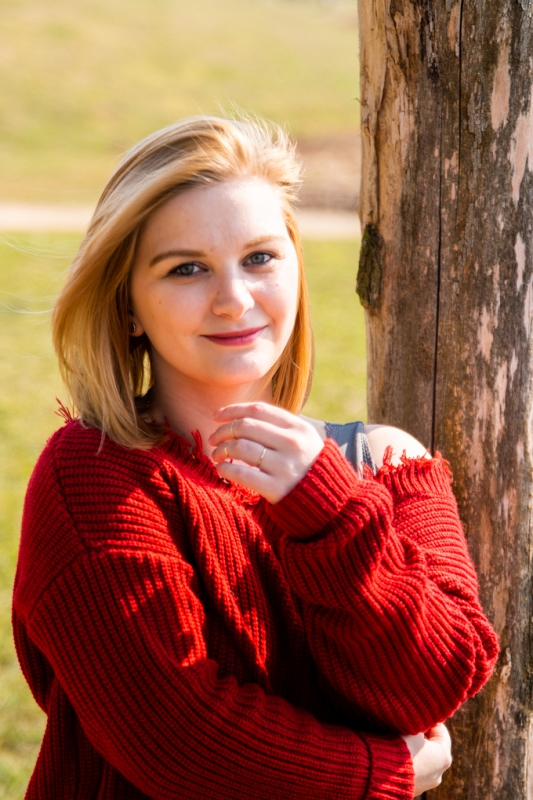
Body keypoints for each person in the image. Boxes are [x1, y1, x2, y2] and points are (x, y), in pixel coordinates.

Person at [13, 116, 499, 799]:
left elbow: (431, 686)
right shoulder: (94, 476)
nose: (233, 300)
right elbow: (176, 742)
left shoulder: (384, 462)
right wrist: (376, 772)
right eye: (186, 269)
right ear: (128, 307)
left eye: (260, 258)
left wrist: (329, 516)